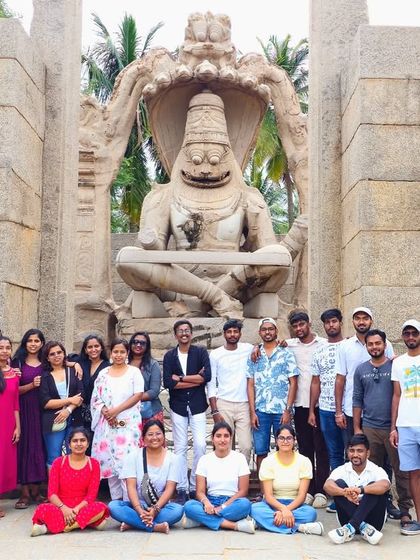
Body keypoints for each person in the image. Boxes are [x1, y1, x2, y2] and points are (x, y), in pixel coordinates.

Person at [334, 306, 398, 518]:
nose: (361, 321)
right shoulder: (349, 352)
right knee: (367, 463)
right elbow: (345, 384)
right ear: (352, 322)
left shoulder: (389, 354)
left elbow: (396, 383)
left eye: (365, 318)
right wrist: (346, 418)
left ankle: (392, 503)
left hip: (389, 421)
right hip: (362, 418)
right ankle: (362, 501)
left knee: (393, 466)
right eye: (357, 318)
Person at [353, 329, 412, 527]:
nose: (374, 347)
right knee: (372, 471)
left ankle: (405, 511)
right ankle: (377, 509)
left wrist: (397, 426)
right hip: (369, 427)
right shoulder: (361, 369)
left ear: (385, 345)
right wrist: (357, 428)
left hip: (394, 428)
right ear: (366, 346)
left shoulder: (395, 365)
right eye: (370, 344)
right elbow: (357, 400)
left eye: (378, 343)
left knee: (401, 471)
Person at [163, 320, 211, 503]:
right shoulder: (169, 356)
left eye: (187, 331)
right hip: (178, 405)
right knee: (180, 447)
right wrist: (195, 379)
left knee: (200, 445)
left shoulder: (200, 352)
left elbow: (206, 377)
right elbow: (168, 382)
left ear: (191, 334)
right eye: (180, 331)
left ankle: (194, 485)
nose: (184, 334)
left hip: (198, 404)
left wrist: (182, 379)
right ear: (175, 335)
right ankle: (182, 487)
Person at [247, 318, 299, 488]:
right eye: (264, 329)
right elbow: (250, 384)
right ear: (260, 332)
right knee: (261, 451)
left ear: (276, 331)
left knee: (284, 448)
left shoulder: (286, 353)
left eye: (271, 329)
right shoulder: (255, 355)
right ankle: (264, 492)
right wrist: (252, 412)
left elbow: (293, 382)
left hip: (280, 410)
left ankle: (283, 488)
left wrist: (288, 409)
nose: (267, 332)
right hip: (261, 410)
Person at [90, 338, 143, 500]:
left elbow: (138, 395)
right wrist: (106, 412)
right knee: (110, 465)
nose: (118, 355)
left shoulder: (134, 372)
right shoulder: (103, 374)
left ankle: (131, 502)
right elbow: (96, 398)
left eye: (122, 352)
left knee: (127, 464)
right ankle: (116, 503)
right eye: (115, 352)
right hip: (106, 426)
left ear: (127, 353)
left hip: (128, 424)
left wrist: (116, 411)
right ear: (111, 353)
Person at [108, 419, 183, 534]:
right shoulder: (133, 457)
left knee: (178, 510)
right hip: (136, 505)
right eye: (150, 434)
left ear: (164, 436)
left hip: (160, 506)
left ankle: (133, 523)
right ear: (143, 438)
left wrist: (155, 509)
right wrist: (138, 509)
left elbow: (169, 489)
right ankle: (155, 526)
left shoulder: (173, 459)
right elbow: (131, 487)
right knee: (113, 506)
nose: (154, 438)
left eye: (158, 434)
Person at [31, 427, 109, 536]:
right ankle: (87, 522)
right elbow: (52, 494)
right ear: (69, 444)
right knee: (42, 509)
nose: (79, 444)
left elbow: (91, 495)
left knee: (100, 507)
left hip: (82, 507)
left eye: (82, 440)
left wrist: (76, 509)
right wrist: (64, 509)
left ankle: (58, 528)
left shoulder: (93, 464)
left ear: (87, 444)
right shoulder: (58, 462)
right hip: (60, 506)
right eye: (75, 441)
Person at [286, 310, 329, 508]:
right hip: (299, 405)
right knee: (305, 450)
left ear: (309, 324)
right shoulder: (290, 345)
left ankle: (322, 490)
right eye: (295, 326)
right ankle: (309, 490)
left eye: (301, 325)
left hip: (321, 405)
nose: (299, 329)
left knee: (322, 448)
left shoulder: (322, 344)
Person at [251, 424, 323, 535]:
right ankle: (300, 527)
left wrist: (286, 510)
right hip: (272, 505)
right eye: (281, 438)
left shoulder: (304, 461)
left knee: (310, 513)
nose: (285, 441)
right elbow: (269, 496)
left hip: (295, 505)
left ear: (294, 440)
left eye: (289, 438)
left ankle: (264, 523)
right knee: (255, 509)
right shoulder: (268, 461)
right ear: (276, 440)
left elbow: (302, 496)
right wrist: (282, 510)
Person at [183, 422, 254, 532]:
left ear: (231, 438)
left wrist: (223, 506)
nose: (222, 440)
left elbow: (243, 491)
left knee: (245, 505)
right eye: (218, 436)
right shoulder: (204, 460)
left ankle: (201, 520)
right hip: (211, 501)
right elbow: (200, 492)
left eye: (226, 436)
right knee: (189, 506)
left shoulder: (239, 458)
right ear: (212, 438)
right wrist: (207, 504)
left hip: (232, 502)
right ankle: (234, 525)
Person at [308, 309, 345, 512]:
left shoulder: (348, 345)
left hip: (346, 409)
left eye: (334, 321)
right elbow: (315, 382)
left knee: (353, 451)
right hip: (325, 409)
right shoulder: (319, 350)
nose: (331, 325)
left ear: (340, 322)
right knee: (334, 454)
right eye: (327, 322)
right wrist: (312, 410)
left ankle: (356, 494)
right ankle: (337, 496)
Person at [324, 434, 390, 545]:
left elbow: (385, 485)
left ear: (368, 453)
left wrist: (361, 490)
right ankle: (361, 526)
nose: (355, 455)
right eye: (352, 451)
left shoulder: (376, 470)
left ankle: (351, 527)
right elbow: (327, 486)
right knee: (338, 484)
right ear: (347, 452)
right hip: (347, 519)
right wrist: (345, 492)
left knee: (374, 486)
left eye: (360, 451)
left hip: (374, 523)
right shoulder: (342, 469)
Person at [208, 320, 253, 463]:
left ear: (240, 333)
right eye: (229, 332)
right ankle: (225, 477)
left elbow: (265, 346)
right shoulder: (216, 354)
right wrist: (214, 410)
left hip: (244, 404)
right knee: (224, 445)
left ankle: (242, 476)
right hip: (224, 404)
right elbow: (211, 383)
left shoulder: (248, 348)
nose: (232, 335)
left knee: (246, 446)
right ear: (224, 334)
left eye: (235, 331)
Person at [390, 319, 420, 535]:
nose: (410, 337)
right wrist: (394, 427)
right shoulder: (398, 363)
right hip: (405, 425)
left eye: (414, 333)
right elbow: (396, 395)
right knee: (412, 475)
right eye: (407, 333)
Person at [11, 329, 47, 509]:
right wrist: (32, 385)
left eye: (37, 341)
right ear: (25, 343)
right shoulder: (16, 363)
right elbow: (11, 391)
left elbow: (62, 363)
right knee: (24, 449)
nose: (33, 344)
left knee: (39, 448)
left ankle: (37, 491)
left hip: (42, 411)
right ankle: (24, 493)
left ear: (42, 343)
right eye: (30, 340)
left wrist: (73, 364)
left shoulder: (46, 362)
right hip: (23, 410)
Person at [39, 341, 84, 470]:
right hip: (53, 421)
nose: (56, 355)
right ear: (47, 358)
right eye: (52, 354)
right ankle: (54, 489)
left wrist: (68, 410)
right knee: (54, 458)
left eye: (59, 352)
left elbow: (81, 395)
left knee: (76, 454)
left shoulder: (73, 371)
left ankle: (74, 489)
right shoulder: (45, 377)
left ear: (64, 354)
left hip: (74, 418)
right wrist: (70, 400)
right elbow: (46, 403)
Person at [0, 336, 20, 519]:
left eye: (8, 347)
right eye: (1, 347)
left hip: (8, 424)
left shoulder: (14, 373)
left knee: (4, 461)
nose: (5, 351)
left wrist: (18, 427)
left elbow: (15, 403)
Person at [128, 331, 164, 433]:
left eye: (142, 343)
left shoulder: (153, 365)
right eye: (135, 342)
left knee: (152, 445)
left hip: (150, 412)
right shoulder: (124, 363)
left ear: (147, 346)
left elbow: (154, 391)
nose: (138, 345)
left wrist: (130, 399)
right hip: (127, 412)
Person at [78, 334, 110, 439]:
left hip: (99, 411)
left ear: (101, 348)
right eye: (90, 347)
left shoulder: (108, 367)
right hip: (80, 411)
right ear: (85, 350)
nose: (93, 349)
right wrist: (74, 364)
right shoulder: (81, 364)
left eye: (96, 346)